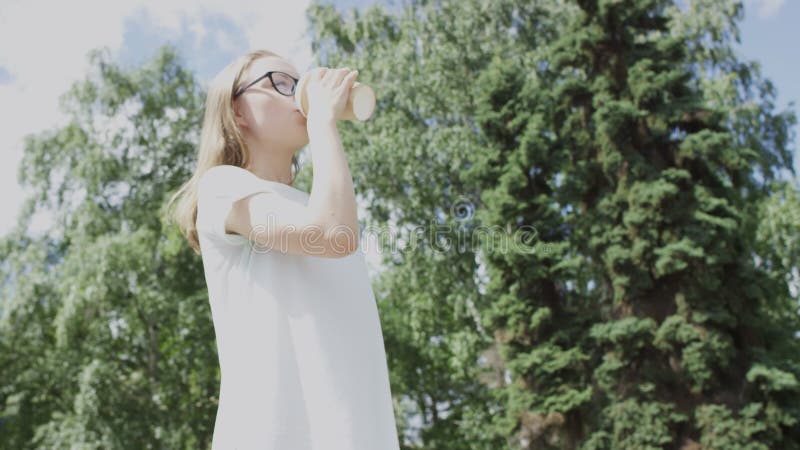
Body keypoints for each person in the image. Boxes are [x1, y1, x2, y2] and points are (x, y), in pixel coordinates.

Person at [164, 49, 401, 450]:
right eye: (280, 82)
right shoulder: (222, 186)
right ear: (237, 111)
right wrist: (324, 119)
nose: (299, 94)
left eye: (300, 81)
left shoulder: (309, 203)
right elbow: (331, 234)